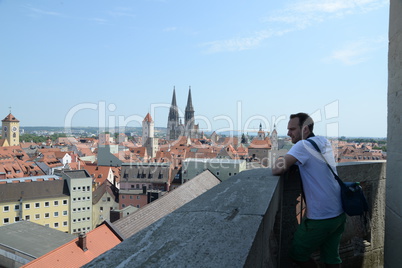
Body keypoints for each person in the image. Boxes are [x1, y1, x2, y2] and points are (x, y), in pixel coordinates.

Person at [272, 112, 345, 268]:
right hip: (339, 212)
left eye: (292, 129)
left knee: (297, 254)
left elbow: (277, 169)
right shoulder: (322, 141)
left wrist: (280, 158)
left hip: (321, 216)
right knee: (332, 259)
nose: (288, 133)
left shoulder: (302, 145)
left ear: (305, 129)